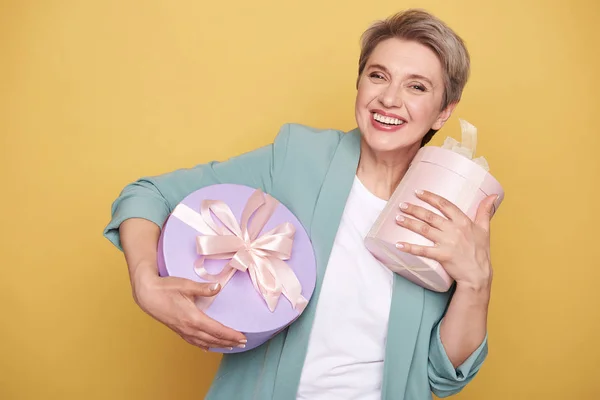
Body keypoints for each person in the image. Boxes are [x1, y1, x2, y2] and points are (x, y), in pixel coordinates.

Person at [103, 8, 497, 400]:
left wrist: (476, 283)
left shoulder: (451, 205)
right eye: (378, 76)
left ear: (444, 112)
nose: (390, 99)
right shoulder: (298, 158)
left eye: (417, 87)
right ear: (360, 83)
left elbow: (442, 377)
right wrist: (145, 283)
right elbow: (146, 194)